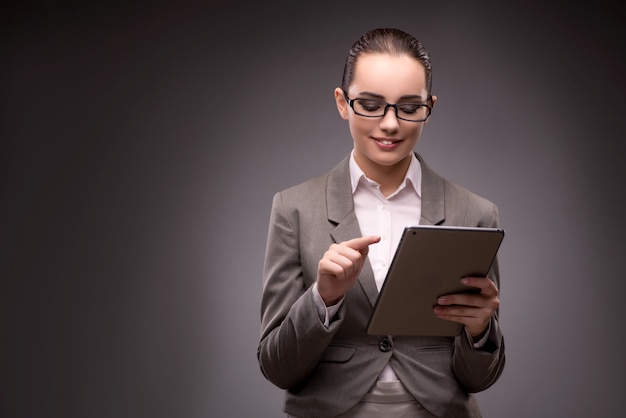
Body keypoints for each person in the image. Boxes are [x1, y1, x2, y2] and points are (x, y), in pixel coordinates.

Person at [257, 27, 505, 418]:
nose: (390, 124)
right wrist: (323, 298)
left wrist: (480, 331)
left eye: (408, 107)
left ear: (430, 107)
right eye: (370, 104)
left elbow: (478, 379)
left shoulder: (475, 213)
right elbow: (276, 366)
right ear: (342, 102)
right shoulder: (295, 208)